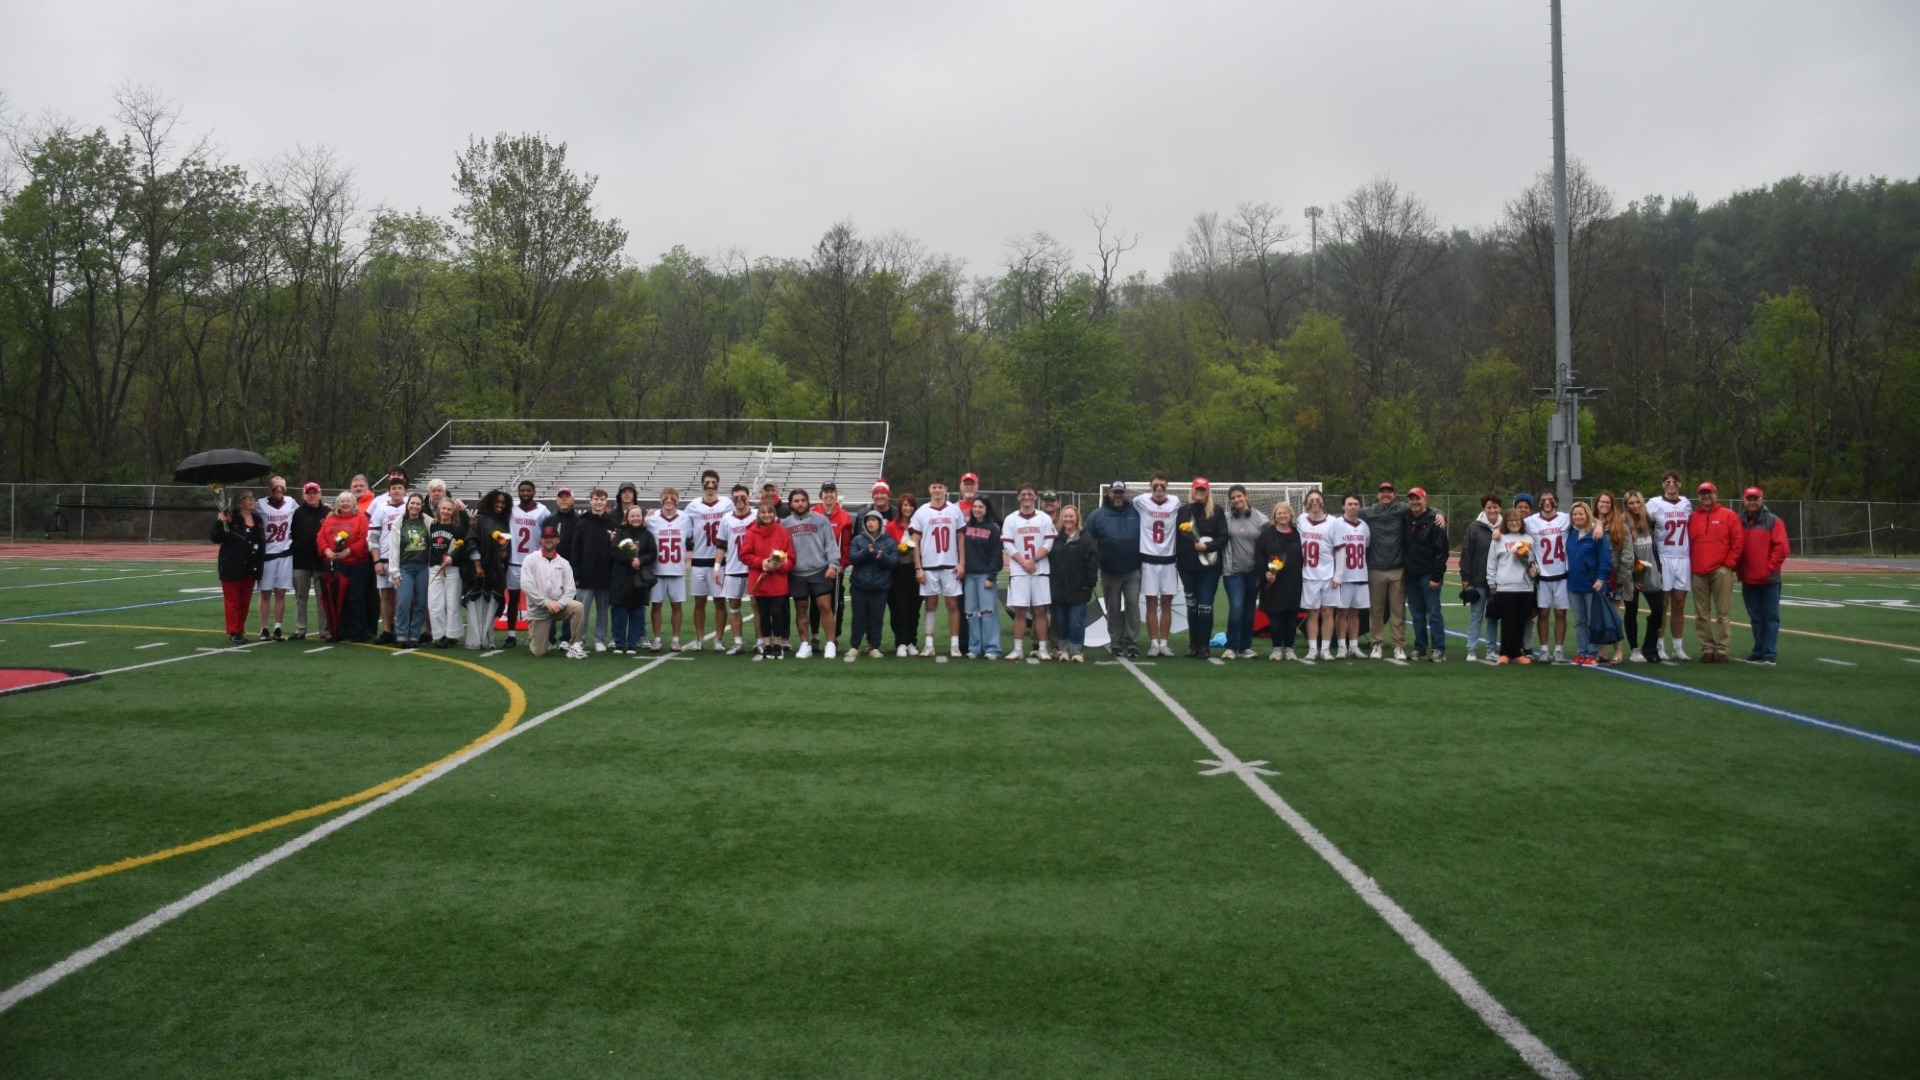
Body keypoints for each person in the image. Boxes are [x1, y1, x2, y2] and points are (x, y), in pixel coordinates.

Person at [909, 480, 967, 657]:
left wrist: (962, 562)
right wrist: (918, 567)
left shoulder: (954, 510)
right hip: (929, 565)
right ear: (929, 489)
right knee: (930, 604)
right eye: (934, 487)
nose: (937, 490)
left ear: (946, 489)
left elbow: (961, 538)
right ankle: (929, 644)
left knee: (952, 604)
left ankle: (955, 645)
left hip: (950, 565)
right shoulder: (921, 512)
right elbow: (914, 542)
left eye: (940, 487)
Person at [1688, 481, 1745, 664]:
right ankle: (1707, 647)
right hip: (1698, 570)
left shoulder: (1728, 515)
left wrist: (1728, 564)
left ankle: (1722, 648)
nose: (1706, 496)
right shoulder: (1693, 517)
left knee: (1723, 611)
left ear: (1715, 494)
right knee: (1701, 613)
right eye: (1703, 493)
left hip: (1720, 569)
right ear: (1698, 496)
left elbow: (1737, 542)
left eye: (1709, 493)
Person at [1086, 480, 1142, 659]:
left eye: (1121, 492)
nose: (1118, 495)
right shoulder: (1097, 515)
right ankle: (1115, 642)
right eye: (1115, 492)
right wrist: (1092, 566)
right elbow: (1088, 541)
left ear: (1125, 494)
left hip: (1133, 569)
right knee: (1114, 607)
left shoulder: (1137, 512)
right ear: (1109, 493)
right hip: (1109, 570)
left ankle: (1132, 642)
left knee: (1133, 604)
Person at [1002, 485, 1056, 661]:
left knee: (1041, 610)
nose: (1026, 497)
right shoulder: (1010, 519)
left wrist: (1033, 560)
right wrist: (1023, 561)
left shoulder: (1044, 518)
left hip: (1039, 570)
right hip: (1019, 572)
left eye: (1030, 494)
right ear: (1018, 497)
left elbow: (1048, 543)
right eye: (1023, 494)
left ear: (1035, 497)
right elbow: (1008, 545)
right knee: (1020, 611)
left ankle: (1042, 648)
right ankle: (1017, 649)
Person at [1737, 486, 1791, 665]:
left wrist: (1769, 568)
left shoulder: (1773, 521)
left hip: (1769, 579)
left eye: (1755, 499)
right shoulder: (1739, 521)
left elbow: (1781, 548)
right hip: (1748, 578)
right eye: (1749, 499)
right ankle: (1758, 650)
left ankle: (1769, 652)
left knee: (1770, 616)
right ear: (1744, 500)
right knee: (1756, 618)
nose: (1752, 502)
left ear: (1761, 500)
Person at [784, 489, 840, 659]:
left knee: (825, 607)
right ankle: (804, 644)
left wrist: (833, 565)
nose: (800, 503)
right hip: (797, 573)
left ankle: (830, 643)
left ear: (808, 502)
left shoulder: (821, 520)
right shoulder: (784, 524)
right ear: (791, 504)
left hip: (819, 570)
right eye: (796, 501)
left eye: (803, 500)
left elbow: (830, 544)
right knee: (801, 610)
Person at [737, 500, 795, 660]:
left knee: (777, 613)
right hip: (760, 581)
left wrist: (779, 566)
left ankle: (778, 644)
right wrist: (761, 562)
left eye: (769, 512)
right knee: (763, 614)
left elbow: (790, 558)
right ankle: (767, 645)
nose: (767, 515)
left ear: (774, 514)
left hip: (778, 582)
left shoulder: (783, 532)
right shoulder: (752, 532)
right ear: (759, 515)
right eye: (763, 512)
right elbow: (744, 555)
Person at [1360, 481, 1410, 659]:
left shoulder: (1401, 509)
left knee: (1398, 611)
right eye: (1383, 492)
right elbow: (1347, 514)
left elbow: (1426, 509)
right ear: (1377, 495)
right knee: (1376, 610)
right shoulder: (1369, 512)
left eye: (1389, 492)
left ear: (1394, 495)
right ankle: (1377, 644)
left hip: (1397, 569)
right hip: (1376, 569)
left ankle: (1398, 645)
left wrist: (1440, 514)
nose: (1386, 495)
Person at [521, 524, 587, 659]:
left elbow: (570, 589)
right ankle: (534, 638)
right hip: (539, 610)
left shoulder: (564, 563)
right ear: (540, 540)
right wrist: (546, 603)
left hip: (559, 607)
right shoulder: (530, 559)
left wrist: (559, 604)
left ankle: (575, 645)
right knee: (539, 652)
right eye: (545, 537)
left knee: (578, 607)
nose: (548, 540)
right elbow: (526, 585)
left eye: (552, 537)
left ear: (558, 540)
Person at [1647, 470, 1694, 661]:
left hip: (1682, 557)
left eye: (1675, 481)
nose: (1671, 485)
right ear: (1662, 484)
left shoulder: (1686, 504)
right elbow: (1640, 521)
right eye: (1667, 482)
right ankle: (1659, 645)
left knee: (1679, 604)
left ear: (1680, 484)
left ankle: (1677, 646)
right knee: (1663, 603)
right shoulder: (1654, 503)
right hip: (1664, 556)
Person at [1134, 474, 1182, 657]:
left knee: (1167, 602)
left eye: (1162, 485)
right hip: (1148, 559)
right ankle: (1154, 643)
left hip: (1169, 559)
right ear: (1150, 486)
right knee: (1151, 602)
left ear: (1167, 486)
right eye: (1156, 486)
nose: (1159, 489)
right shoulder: (1141, 501)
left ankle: (1165, 643)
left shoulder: (1175, 502)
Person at [684, 469, 731, 652]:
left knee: (720, 601)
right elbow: (680, 521)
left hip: (720, 560)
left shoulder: (727, 504)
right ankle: (700, 638)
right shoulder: (693, 506)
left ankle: (719, 639)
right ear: (702, 484)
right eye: (707, 482)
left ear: (718, 483)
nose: (710, 486)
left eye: (713, 482)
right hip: (699, 559)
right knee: (699, 602)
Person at [1525, 491, 1573, 664]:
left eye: (1550, 499)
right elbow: (1510, 524)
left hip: (1562, 574)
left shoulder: (1566, 518)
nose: (1547, 502)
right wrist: (1498, 532)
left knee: (1561, 613)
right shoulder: (1530, 521)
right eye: (1543, 500)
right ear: (1539, 503)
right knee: (1543, 613)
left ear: (1556, 502)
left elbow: (1588, 518)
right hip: (1542, 575)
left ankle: (1559, 650)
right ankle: (1544, 650)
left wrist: (1597, 526)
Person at [212, 491, 265, 645]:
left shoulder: (257, 519)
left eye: (252, 497)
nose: (251, 500)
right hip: (232, 565)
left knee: (244, 601)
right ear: (239, 503)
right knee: (232, 601)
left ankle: (240, 628)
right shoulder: (231, 518)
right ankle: (234, 631)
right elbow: (216, 537)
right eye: (247, 498)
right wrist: (221, 523)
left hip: (251, 566)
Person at [318, 491, 373, 643]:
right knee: (336, 598)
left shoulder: (361, 518)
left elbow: (364, 539)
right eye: (342, 501)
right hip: (335, 565)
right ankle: (339, 630)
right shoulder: (330, 519)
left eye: (348, 501)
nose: (345, 504)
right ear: (337, 504)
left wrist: (349, 551)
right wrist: (327, 550)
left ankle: (358, 632)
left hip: (356, 565)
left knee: (356, 598)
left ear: (354, 503)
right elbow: (320, 537)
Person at [1403, 487, 1449, 662]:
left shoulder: (1435, 521)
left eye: (1418, 499)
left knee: (1433, 612)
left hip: (1428, 574)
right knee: (1417, 614)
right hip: (1411, 574)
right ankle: (1420, 648)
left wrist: (1436, 577)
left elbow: (1441, 552)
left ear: (1425, 499)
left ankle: (1438, 649)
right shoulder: (1405, 518)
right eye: (1412, 499)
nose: (1415, 502)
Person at [1488, 506, 1538, 664]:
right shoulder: (1498, 538)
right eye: (1510, 520)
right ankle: (1504, 652)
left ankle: (1517, 652)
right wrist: (1492, 583)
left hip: (1525, 587)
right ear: (1506, 522)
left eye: (1517, 520)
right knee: (1507, 620)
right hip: (1505, 586)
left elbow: (1533, 561)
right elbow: (1492, 562)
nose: (1514, 523)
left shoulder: (1529, 539)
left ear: (1521, 522)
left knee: (1521, 621)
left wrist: (1535, 570)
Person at [503, 480, 550, 649]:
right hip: (514, 561)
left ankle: (535, 635)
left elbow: (549, 531)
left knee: (535, 600)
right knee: (513, 599)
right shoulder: (511, 507)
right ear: (518, 492)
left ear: (534, 491)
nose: (525, 493)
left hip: (533, 563)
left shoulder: (543, 510)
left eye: (528, 490)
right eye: (522, 490)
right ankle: (511, 635)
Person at [1564, 501, 1611, 666]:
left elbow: (1605, 558)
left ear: (1587, 515)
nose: (1577, 517)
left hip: (1592, 584)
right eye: (1574, 514)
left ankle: (1592, 653)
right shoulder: (1570, 532)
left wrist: (1600, 579)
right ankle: (1581, 651)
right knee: (1579, 621)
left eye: (1581, 514)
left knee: (1593, 621)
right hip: (1574, 584)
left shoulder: (1597, 534)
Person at [1254, 502, 1304, 660]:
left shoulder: (1298, 534)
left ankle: (1289, 648)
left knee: (1291, 617)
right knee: (1275, 617)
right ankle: (1276, 648)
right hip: (1273, 583)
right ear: (1274, 516)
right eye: (1279, 513)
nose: (1282, 515)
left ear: (1291, 515)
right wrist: (1265, 573)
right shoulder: (1267, 534)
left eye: (1285, 513)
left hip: (1294, 581)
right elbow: (1259, 556)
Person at [1220, 484, 1264, 660]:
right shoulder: (1226, 518)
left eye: (1239, 496)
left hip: (1254, 572)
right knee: (1236, 608)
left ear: (1246, 496)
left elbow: (1266, 546)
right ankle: (1231, 646)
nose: (1236, 500)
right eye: (1233, 498)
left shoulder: (1261, 518)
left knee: (1248, 610)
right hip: (1233, 572)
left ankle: (1245, 646)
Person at [646, 487, 694, 651]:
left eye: (672, 497)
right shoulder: (651, 519)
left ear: (678, 500)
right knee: (656, 605)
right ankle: (657, 639)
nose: (669, 500)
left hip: (677, 569)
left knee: (677, 606)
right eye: (666, 497)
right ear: (661, 500)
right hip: (657, 570)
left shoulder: (685, 518)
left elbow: (690, 536)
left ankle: (675, 639)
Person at [848, 509, 900, 660]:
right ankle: (854, 646)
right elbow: (853, 558)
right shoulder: (858, 539)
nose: (870, 522)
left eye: (874, 520)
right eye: (868, 520)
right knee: (858, 617)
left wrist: (881, 556)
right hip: (859, 586)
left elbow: (894, 561)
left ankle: (874, 646)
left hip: (880, 586)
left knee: (877, 618)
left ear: (880, 523)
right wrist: (866, 552)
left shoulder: (888, 540)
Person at [1051, 504, 1100, 662]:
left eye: (1071, 516)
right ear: (1061, 518)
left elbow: (1092, 562)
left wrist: (1088, 584)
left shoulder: (1086, 538)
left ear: (1077, 518)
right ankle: (1064, 651)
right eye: (1065, 516)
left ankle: (1077, 651)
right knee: (1061, 620)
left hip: (1079, 588)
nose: (1068, 519)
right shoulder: (1056, 538)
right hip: (1059, 588)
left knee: (1075, 621)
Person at [1620, 491, 1664, 664]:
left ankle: (1650, 647)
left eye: (1638, 502)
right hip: (1632, 574)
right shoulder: (1623, 523)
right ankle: (1634, 649)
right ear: (1626, 505)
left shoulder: (1650, 521)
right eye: (1631, 503)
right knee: (1631, 610)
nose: (1635, 506)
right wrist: (1632, 574)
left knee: (1659, 610)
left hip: (1651, 572)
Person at [571, 488, 618, 651]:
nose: (599, 502)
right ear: (590, 501)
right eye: (596, 499)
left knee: (603, 610)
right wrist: (576, 572)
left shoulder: (611, 523)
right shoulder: (582, 522)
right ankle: (580, 639)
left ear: (606, 502)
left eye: (602, 499)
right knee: (582, 610)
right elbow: (576, 549)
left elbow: (615, 550)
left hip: (605, 575)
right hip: (586, 574)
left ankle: (599, 639)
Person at [1326, 495, 1372, 659]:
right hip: (1343, 576)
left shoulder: (1364, 526)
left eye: (1356, 504)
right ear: (1343, 507)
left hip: (1360, 574)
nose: (1353, 507)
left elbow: (1365, 546)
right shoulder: (1336, 524)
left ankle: (1354, 645)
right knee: (1342, 611)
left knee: (1355, 612)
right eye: (1349, 504)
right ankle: (1341, 646)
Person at [1457, 494, 1502, 663]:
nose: (1492, 510)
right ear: (1484, 508)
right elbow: (1466, 553)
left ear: (1500, 508)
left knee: (1493, 616)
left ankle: (1491, 649)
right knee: (1476, 615)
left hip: (1498, 582)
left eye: (1495, 507)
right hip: (1478, 580)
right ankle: (1472, 649)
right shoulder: (1474, 528)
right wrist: (1466, 578)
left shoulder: (1505, 527)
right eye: (1489, 507)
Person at [384, 493, 432, 648]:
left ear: (421, 506)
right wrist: (394, 571)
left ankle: (414, 635)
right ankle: (402, 634)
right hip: (405, 568)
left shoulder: (428, 522)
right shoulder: (399, 523)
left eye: (418, 504)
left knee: (420, 603)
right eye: (412, 503)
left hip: (423, 567)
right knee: (403, 602)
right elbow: (393, 549)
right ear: (408, 504)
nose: (415, 506)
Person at [609, 504, 658, 656]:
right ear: (627, 518)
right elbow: (614, 551)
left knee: (637, 613)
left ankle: (631, 644)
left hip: (639, 580)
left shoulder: (648, 535)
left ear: (642, 518)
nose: (636, 518)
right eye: (633, 516)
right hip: (621, 579)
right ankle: (619, 643)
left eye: (638, 516)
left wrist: (640, 560)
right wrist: (630, 560)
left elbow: (652, 553)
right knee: (620, 613)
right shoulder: (621, 533)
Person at [366, 475, 409, 645]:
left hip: (404, 558)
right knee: (386, 594)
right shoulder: (381, 508)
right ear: (389, 492)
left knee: (402, 595)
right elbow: (373, 537)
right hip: (384, 557)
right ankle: (387, 629)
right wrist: (376, 561)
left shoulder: (410, 506)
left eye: (400, 488)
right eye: (394, 488)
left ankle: (400, 628)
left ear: (405, 490)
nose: (397, 491)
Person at [465, 490, 510, 650]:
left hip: (496, 570)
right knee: (478, 602)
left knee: (493, 602)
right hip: (479, 569)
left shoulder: (504, 522)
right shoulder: (480, 519)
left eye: (503, 503)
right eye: (497, 502)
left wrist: (504, 549)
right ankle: (476, 639)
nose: (500, 505)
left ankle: (488, 638)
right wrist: (477, 564)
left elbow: (505, 549)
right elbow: (471, 541)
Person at [960, 496, 1003, 660]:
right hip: (970, 576)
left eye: (981, 507)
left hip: (985, 575)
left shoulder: (992, 528)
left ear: (987, 509)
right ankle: (975, 647)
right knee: (971, 613)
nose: (977, 510)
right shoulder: (968, 527)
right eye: (975, 507)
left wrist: (991, 576)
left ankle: (992, 648)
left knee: (988, 612)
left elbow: (996, 554)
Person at [716, 484, 758, 654]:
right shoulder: (726, 518)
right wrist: (717, 567)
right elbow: (721, 545)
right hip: (733, 567)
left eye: (743, 497)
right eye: (736, 498)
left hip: (753, 567)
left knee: (757, 605)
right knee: (733, 605)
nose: (739, 500)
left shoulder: (757, 515)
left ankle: (760, 641)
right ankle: (738, 642)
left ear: (748, 497)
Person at [1296, 490, 1337, 662]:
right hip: (1309, 574)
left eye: (1317, 499)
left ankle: (1325, 649)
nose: (1314, 502)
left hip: (1328, 573)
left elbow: (1339, 550)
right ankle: (1313, 649)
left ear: (1323, 502)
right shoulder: (1300, 520)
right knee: (1312, 612)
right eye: (1311, 500)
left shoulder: (1333, 522)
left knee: (1328, 611)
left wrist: (1338, 575)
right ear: (1306, 503)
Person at [254, 476, 295, 641]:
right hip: (267, 555)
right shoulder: (260, 504)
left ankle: (278, 627)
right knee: (265, 593)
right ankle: (264, 628)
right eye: (276, 487)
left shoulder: (291, 502)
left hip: (285, 554)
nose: (279, 489)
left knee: (280, 592)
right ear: (269, 488)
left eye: (282, 487)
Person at [881, 485, 921, 655]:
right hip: (897, 571)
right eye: (905, 505)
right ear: (900, 507)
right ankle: (901, 642)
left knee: (914, 608)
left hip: (915, 570)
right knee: (899, 608)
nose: (908, 508)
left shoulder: (919, 523)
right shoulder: (891, 526)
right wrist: (907, 546)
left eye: (911, 505)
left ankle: (912, 641)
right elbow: (889, 549)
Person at [289, 481, 332, 641]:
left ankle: (325, 630)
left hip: (322, 561)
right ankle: (300, 629)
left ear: (320, 494)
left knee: (323, 598)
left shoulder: (328, 511)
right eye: (309, 493)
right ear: (304, 495)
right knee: (301, 597)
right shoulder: (297, 513)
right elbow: (291, 534)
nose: (312, 496)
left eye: (315, 493)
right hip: (301, 562)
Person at [816, 481, 854, 653]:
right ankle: (815, 636)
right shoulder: (814, 512)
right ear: (821, 494)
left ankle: (834, 637)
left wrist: (843, 564)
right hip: (817, 566)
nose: (829, 495)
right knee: (815, 604)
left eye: (832, 492)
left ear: (836, 495)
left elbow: (846, 544)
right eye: (826, 492)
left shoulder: (844, 516)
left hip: (835, 567)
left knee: (835, 603)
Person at [1595, 491, 1632, 665]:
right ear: (1596, 504)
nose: (1604, 505)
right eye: (1602, 502)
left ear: (1612, 505)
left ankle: (1618, 649)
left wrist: (1622, 575)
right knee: (1598, 613)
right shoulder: (1591, 523)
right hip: (1596, 576)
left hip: (1614, 576)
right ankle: (1601, 650)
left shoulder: (1620, 525)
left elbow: (1627, 552)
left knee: (1614, 614)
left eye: (1608, 503)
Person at [427, 496, 467, 648]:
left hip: (452, 569)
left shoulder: (459, 528)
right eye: (443, 508)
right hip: (435, 568)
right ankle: (439, 634)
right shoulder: (432, 526)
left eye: (449, 509)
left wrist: (452, 557)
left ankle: (452, 635)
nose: (445, 511)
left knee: (452, 603)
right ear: (438, 509)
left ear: (453, 512)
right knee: (434, 604)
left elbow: (463, 549)